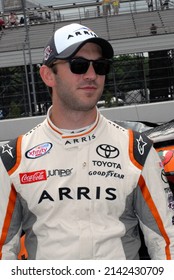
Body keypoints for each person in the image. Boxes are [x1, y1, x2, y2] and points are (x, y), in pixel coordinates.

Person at [0, 22, 174, 260]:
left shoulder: (137, 149)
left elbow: (167, 243)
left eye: (100, 66)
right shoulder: (13, 157)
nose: (91, 75)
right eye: (78, 65)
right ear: (47, 75)